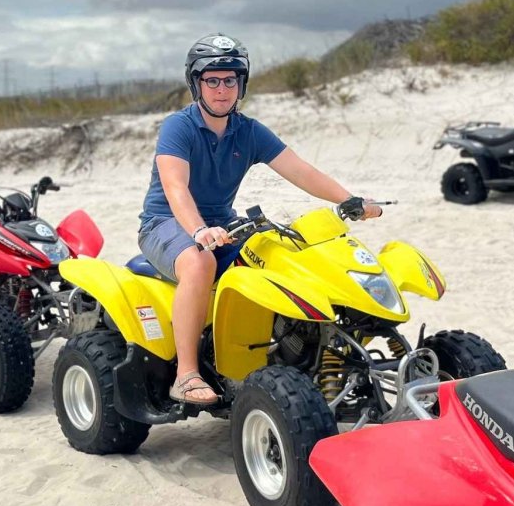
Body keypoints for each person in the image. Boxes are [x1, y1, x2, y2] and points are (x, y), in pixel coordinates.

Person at [139, 34, 383, 405]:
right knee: (198, 262)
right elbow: (175, 188)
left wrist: (349, 200)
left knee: (280, 253)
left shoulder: (249, 131)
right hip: (166, 224)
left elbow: (300, 170)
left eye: (230, 80)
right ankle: (186, 374)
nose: (222, 89)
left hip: (225, 224)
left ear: (242, 84)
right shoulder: (179, 127)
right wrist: (199, 231)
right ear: (196, 84)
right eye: (212, 80)